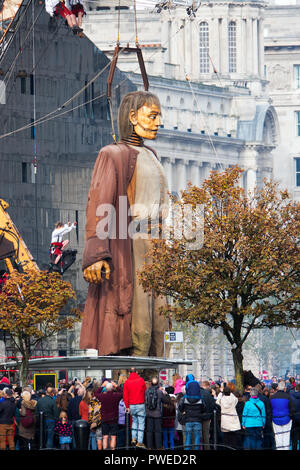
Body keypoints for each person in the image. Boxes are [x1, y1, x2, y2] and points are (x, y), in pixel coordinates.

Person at [80, 91, 170, 358]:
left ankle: (152, 378)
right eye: (152, 115)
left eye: (159, 116)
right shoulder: (114, 155)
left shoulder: (151, 155)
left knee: (159, 324)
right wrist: (96, 254)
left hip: (156, 249)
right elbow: (99, 202)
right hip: (132, 249)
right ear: (133, 116)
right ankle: (129, 379)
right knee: (137, 326)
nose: (157, 122)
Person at [178, 378, 208, 450]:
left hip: (188, 420)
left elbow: (180, 408)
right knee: (197, 439)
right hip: (197, 420)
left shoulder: (185, 399)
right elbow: (204, 408)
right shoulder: (200, 398)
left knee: (187, 438)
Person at [95, 381, 123, 450]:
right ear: (112, 388)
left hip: (104, 419)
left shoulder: (103, 396)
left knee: (105, 436)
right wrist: (116, 386)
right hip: (114, 419)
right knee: (113, 437)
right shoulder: (116, 396)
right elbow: (123, 393)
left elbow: (96, 393)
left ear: (106, 389)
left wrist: (102, 386)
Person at [123, 368, 147, 448]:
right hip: (140, 404)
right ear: (136, 372)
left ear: (129, 372)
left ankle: (133, 438)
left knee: (134, 421)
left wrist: (127, 406)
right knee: (141, 423)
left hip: (131, 405)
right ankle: (140, 442)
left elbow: (125, 396)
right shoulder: (141, 380)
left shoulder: (127, 382)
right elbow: (144, 391)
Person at [145, 376, 170, 450]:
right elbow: (166, 401)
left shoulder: (146, 391)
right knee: (158, 431)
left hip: (148, 413)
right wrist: (165, 393)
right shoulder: (159, 392)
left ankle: (149, 446)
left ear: (151, 383)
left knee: (149, 431)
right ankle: (158, 446)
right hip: (157, 414)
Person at [270, 380, 295, 450]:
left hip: (275, 419)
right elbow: (292, 409)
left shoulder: (272, 397)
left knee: (278, 437)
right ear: (284, 388)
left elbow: (270, 409)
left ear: (277, 388)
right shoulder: (288, 397)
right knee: (286, 437)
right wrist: (291, 418)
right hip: (287, 419)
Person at [199, 380, 216, 450]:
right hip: (207, 417)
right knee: (206, 435)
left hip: (198, 416)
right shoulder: (207, 393)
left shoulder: (197, 393)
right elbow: (212, 405)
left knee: (198, 435)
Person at [290, 383, 300, 450]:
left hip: (294, 418)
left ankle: (294, 448)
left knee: (294, 436)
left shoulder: (291, 397)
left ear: (295, 389)